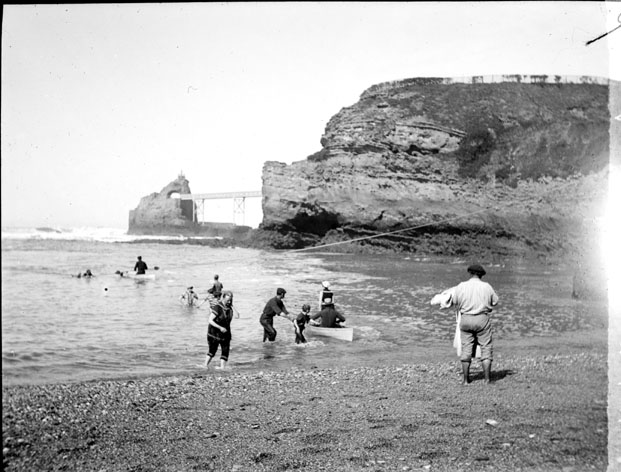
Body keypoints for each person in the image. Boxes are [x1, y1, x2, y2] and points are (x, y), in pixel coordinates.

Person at [442, 264, 499, 385]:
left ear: (470, 273)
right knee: (486, 347)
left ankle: (466, 380)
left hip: (466, 319)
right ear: (481, 275)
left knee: (466, 348)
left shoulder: (461, 286)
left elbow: (455, 301)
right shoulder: (487, 286)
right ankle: (487, 379)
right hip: (482, 319)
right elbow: (495, 301)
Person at [203, 290, 238, 369]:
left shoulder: (230, 308)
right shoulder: (217, 307)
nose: (229, 302)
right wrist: (220, 327)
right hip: (214, 333)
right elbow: (210, 320)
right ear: (223, 298)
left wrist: (233, 306)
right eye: (227, 300)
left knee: (225, 351)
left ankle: (222, 368)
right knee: (212, 351)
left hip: (225, 333)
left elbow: (237, 316)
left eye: (230, 300)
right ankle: (205, 365)